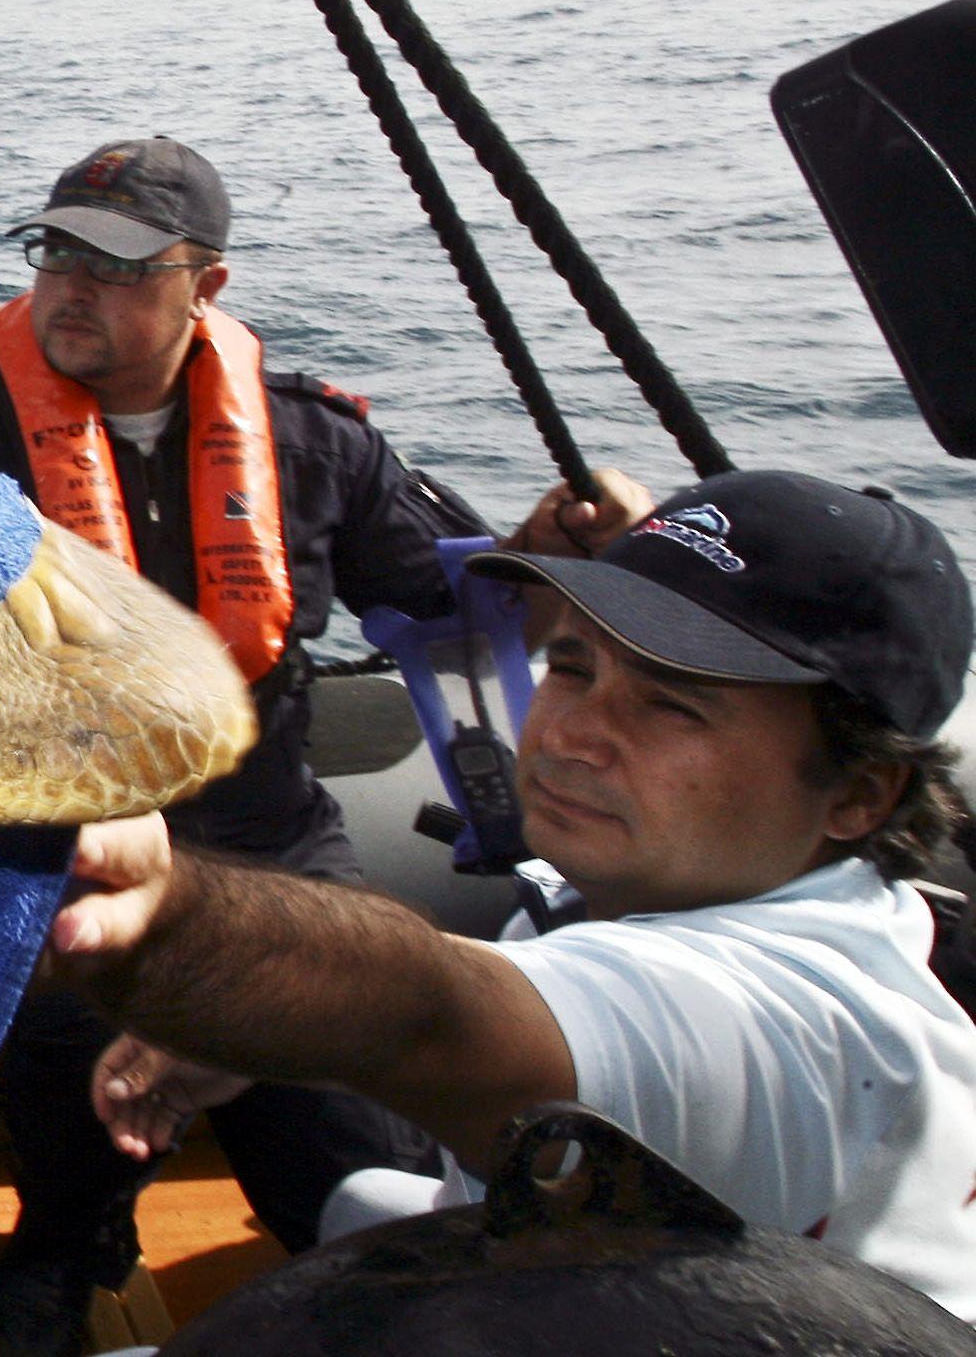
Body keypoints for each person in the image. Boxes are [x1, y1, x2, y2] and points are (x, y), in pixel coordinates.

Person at [0, 136, 650, 1351]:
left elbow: (448, 601)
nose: (73, 286)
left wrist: (564, 545)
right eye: (55, 252)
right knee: (58, 1215)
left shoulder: (318, 440)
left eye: (121, 264)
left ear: (207, 285)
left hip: (277, 855)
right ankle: (76, 1248)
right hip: (68, 880)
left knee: (373, 1205)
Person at [56, 470, 976, 1320]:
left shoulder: (794, 1023)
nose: (573, 731)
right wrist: (261, 1031)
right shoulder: (687, 902)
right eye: (573, 667)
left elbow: (425, 1010)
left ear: (858, 794)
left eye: (674, 704)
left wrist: (163, 909)